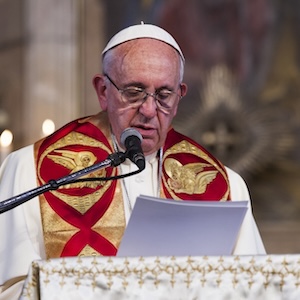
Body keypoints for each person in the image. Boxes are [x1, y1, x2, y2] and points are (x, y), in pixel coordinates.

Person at [0, 23, 266, 299]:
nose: (149, 110)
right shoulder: (28, 171)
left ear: (178, 98)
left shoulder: (227, 187)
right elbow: (12, 290)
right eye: (134, 92)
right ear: (103, 91)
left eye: (164, 95)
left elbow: (253, 289)